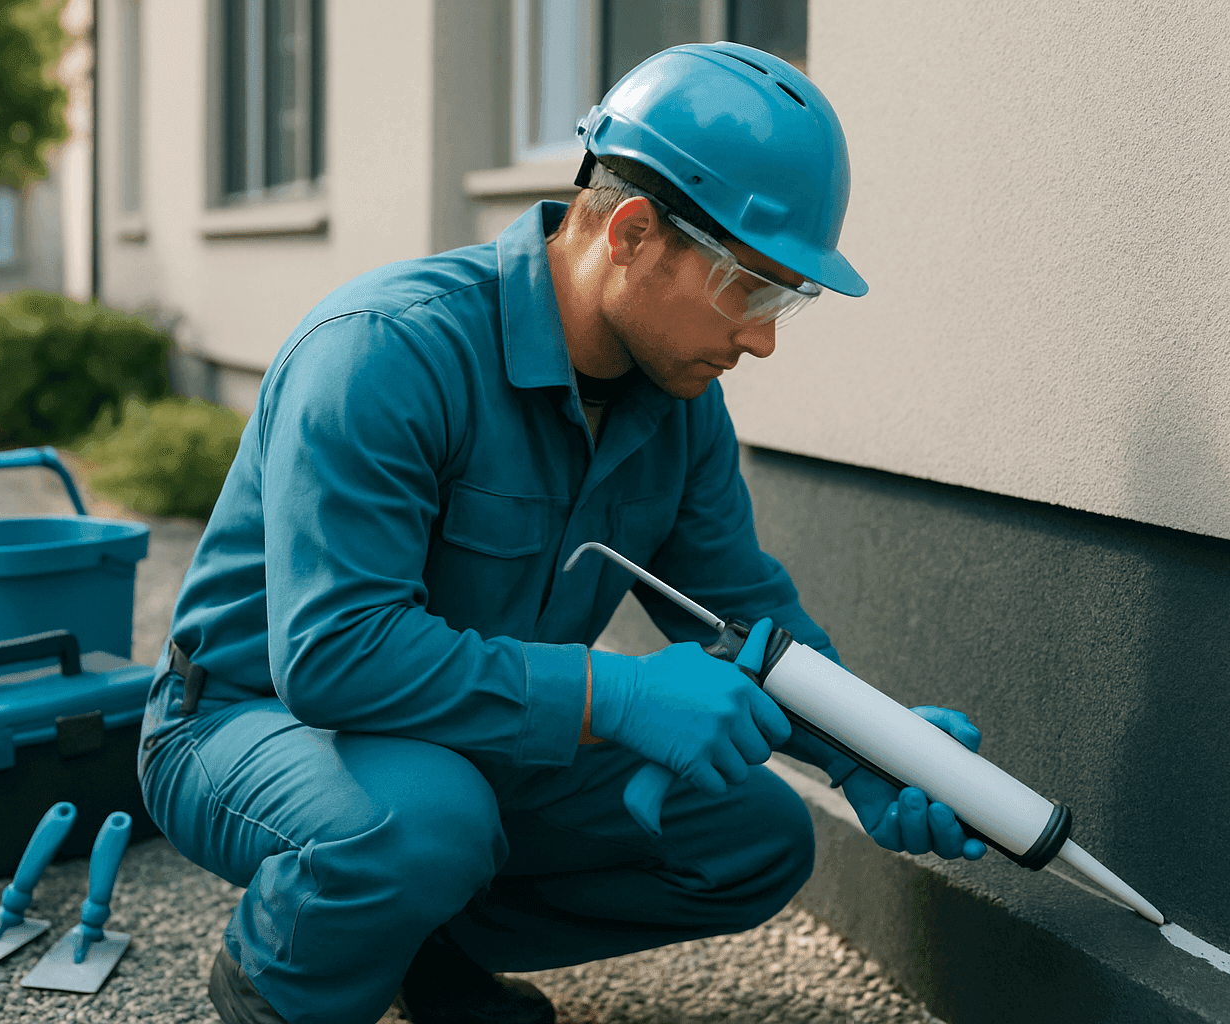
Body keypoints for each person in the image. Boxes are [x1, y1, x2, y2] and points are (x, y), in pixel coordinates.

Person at [138, 42, 986, 1024]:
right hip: (251, 721)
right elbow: (333, 657)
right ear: (630, 232)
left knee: (752, 833)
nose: (762, 338)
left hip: (459, 731)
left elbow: (740, 611)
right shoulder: (384, 353)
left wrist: (874, 751)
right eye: (749, 289)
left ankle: (420, 943)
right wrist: (620, 691)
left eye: (783, 300)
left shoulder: (675, 403)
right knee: (425, 821)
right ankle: (277, 984)